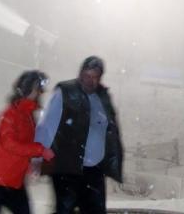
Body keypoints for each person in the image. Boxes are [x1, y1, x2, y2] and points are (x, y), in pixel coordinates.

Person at [35, 56, 124, 214]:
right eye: (87, 76)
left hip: (94, 171)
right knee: (65, 210)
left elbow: (112, 131)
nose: (90, 81)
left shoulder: (103, 97)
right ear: (80, 74)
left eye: (95, 77)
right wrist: (38, 155)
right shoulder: (66, 91)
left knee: (95, 210)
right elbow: (47, 125)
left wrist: (113, 161)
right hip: (67, 168)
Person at [0, 70, 56, 214]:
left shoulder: (28, 116)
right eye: (37, 89)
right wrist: (40, 150)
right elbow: (10, 144)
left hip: (15, 183)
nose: (40, 93)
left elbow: (25, 146)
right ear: (27, 89)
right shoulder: (10, 114)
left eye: (40, 90)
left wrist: (33, 163)